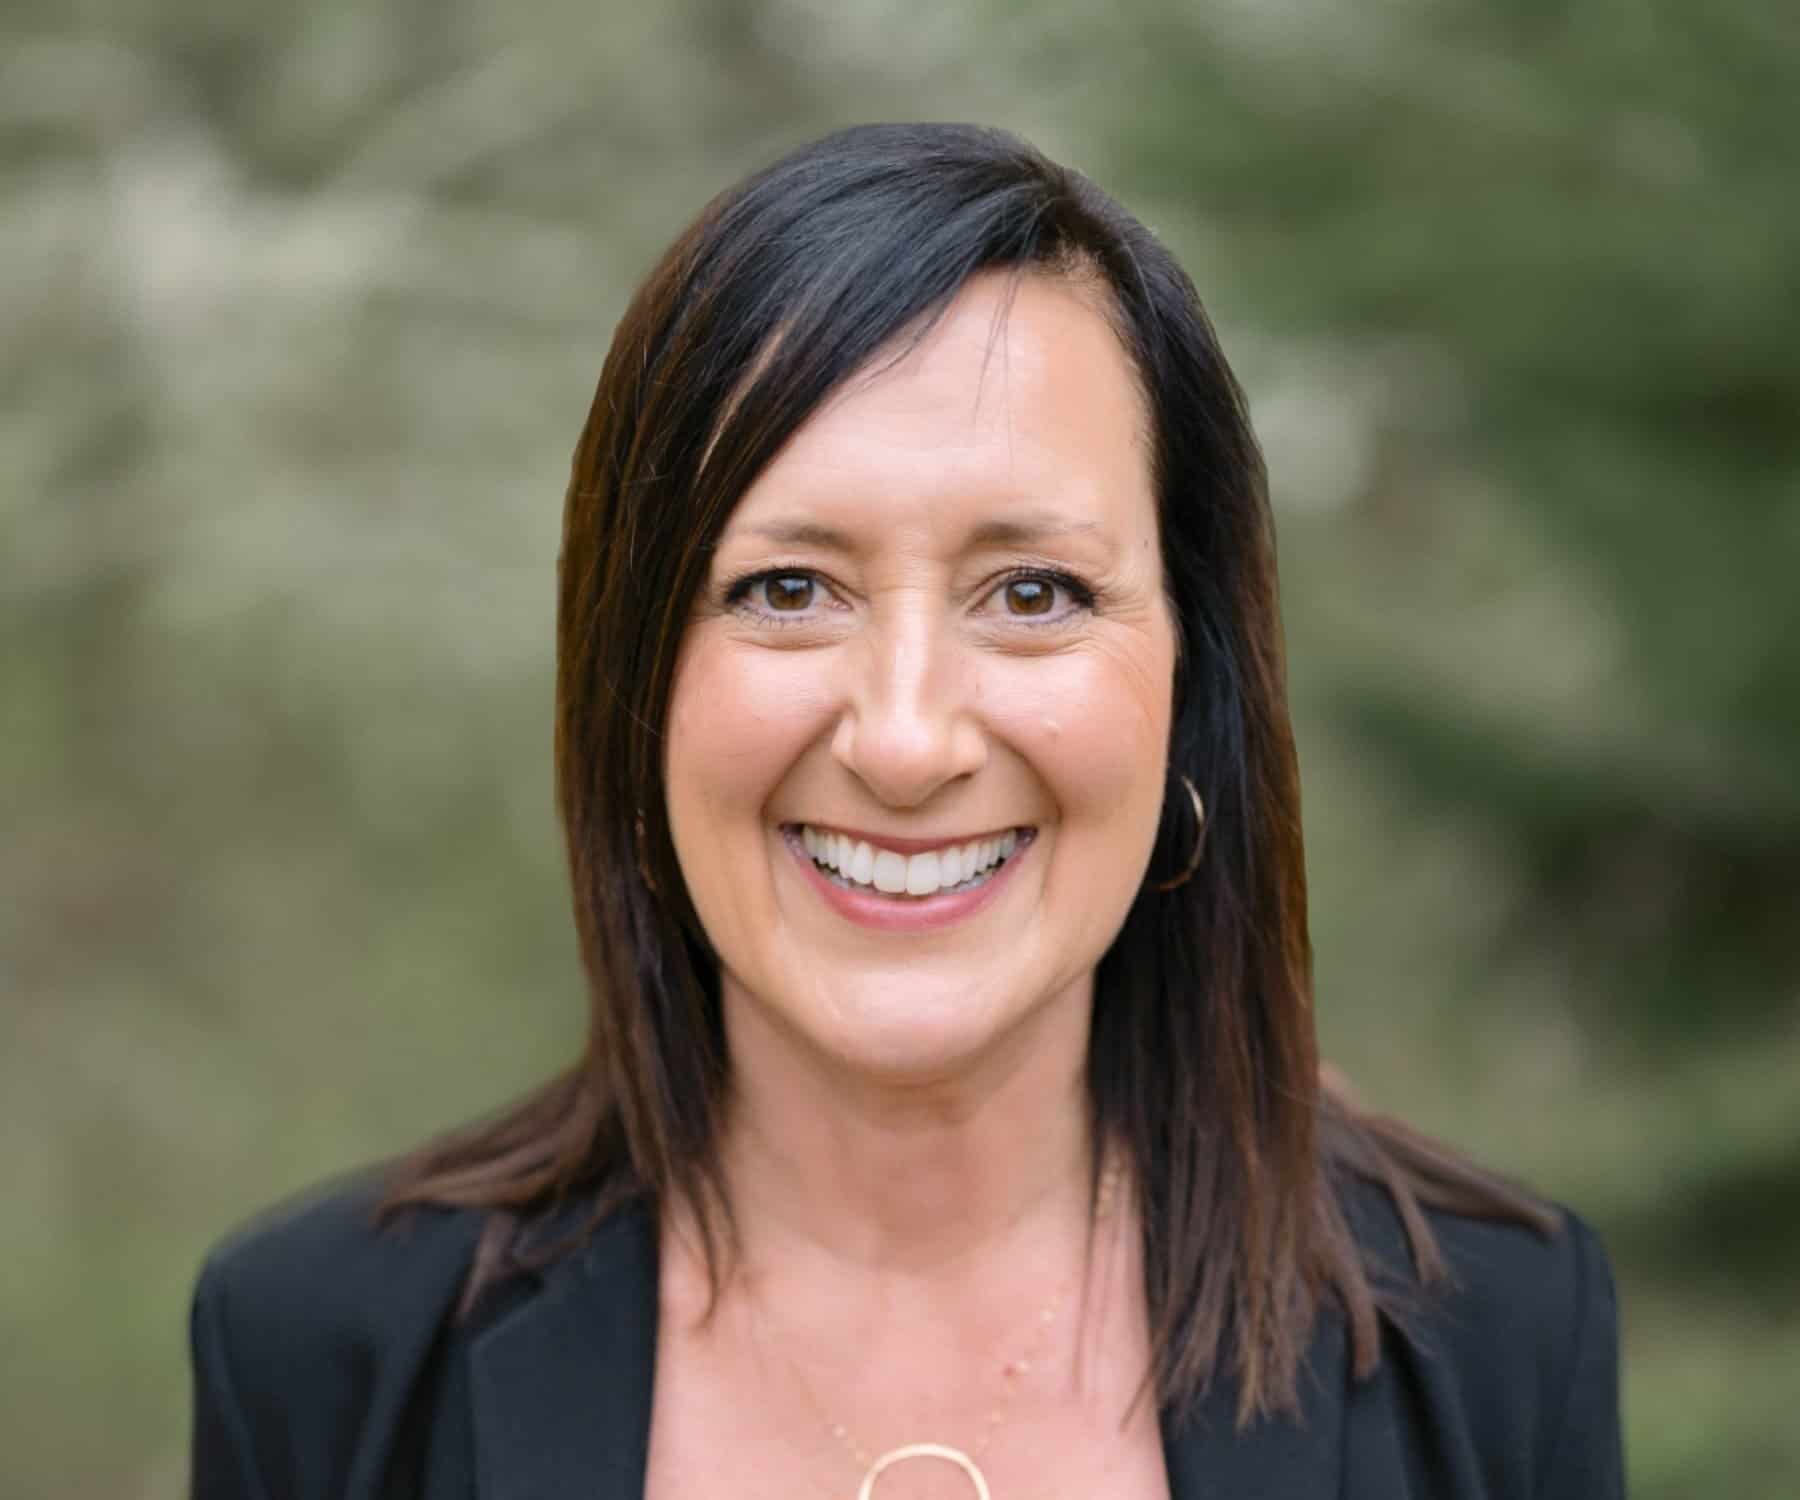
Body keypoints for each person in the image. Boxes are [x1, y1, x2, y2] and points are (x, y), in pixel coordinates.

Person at [188, 123, 1625, 1500]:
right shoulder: (326, 1357)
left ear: (1193, 678)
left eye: (1033, 592)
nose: (907, 740)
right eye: (789, 589)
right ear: (634, 682)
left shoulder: (1492, 1335)